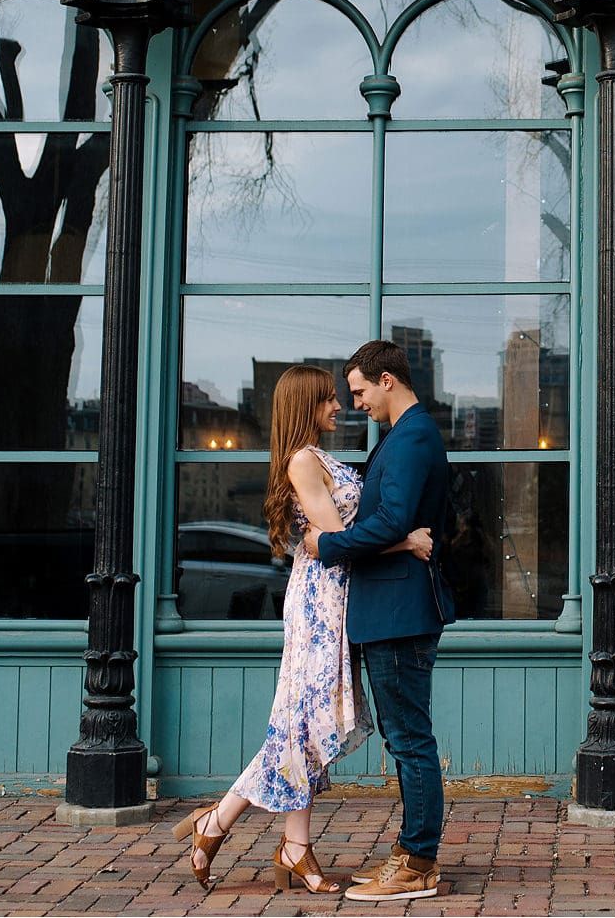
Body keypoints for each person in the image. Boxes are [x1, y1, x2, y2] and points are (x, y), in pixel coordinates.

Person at [171, 365, 435, 894]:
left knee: (302, 726)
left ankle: (286, 843)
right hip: (319, 603)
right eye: (328, 400)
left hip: (339, 598)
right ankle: (222, 824)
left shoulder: (319, 457)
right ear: (305, 406)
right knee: (302, 725)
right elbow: (338, 538)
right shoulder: (301, 461)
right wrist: (405, 542)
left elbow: (341, 534)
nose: (339, 406)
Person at [303, 339, 458, 902]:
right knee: (404, 739)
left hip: (399, 612)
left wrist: (326, 544)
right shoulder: (403, 437)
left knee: (410, 741)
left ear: (388, 379)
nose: (357, 403)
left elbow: (392, 518)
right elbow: (405, 523)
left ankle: (418, 863)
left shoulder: (413, 436)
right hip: (390, 610)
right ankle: (412, 851)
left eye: (361, 391)